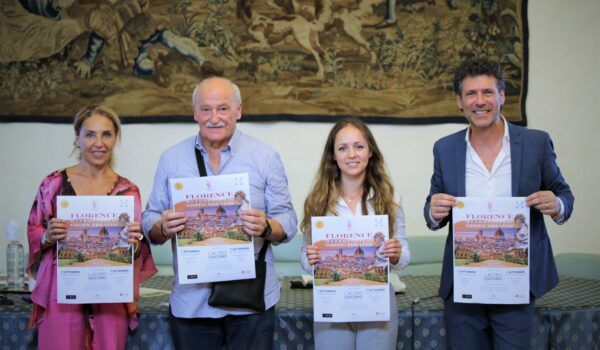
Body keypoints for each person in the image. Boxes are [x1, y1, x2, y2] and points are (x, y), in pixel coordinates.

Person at [423, 60, 574, 349]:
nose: (479, 101)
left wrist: (556, 204)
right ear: (459, 101)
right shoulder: (445, 148)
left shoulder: (536, 144)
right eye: (470, 94)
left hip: (517, 281)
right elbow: (433, 204)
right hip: (464, 283)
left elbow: (565, 195)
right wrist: (433, 211)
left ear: (502, 96)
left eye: (487, 92)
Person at [142, 77, 298, 350]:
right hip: (192, 302)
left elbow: (289, 222)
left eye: (223, 108)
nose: (214, 117)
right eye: (206, 109)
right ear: (194, 113)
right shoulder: (171, 158)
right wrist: (162, 227)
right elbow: (150, 220)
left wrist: (266, 226)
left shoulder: (265, 157)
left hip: (250, 302)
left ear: (238, 110)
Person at [26, 105, 157, 350]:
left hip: (110, 292)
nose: (99, 142)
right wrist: (47, 236)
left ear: (115, 139)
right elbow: (34, 229)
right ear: (77, 139)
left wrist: (134, 244)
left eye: (106, 134)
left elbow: (139, 249)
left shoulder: (127, 191)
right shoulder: (53, 184)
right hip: (62, 291)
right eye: (90, 134)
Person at [300, 118, 410, 350]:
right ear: (333, 155)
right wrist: (310, 259)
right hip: (331, 302)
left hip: (377, 304)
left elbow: (404, 257)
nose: (352, 154)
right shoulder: (317, 201)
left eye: (359, 146)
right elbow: (305, 261)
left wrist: (396, 254)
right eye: (343, 148)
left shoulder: (391, 199)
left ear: (370, 151)